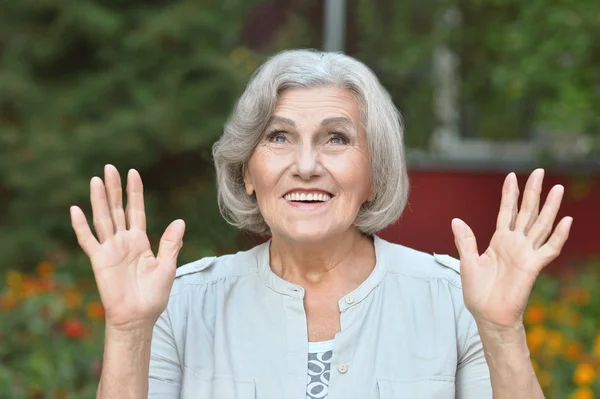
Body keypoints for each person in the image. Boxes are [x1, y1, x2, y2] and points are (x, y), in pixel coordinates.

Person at [70, 50, 572, 399]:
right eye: (279, 138)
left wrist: (502, 331)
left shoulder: (457, 300)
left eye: (336, 139)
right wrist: (129, 330)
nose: (306, 164)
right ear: (247, 171)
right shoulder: (179, 305)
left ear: (375, 174)